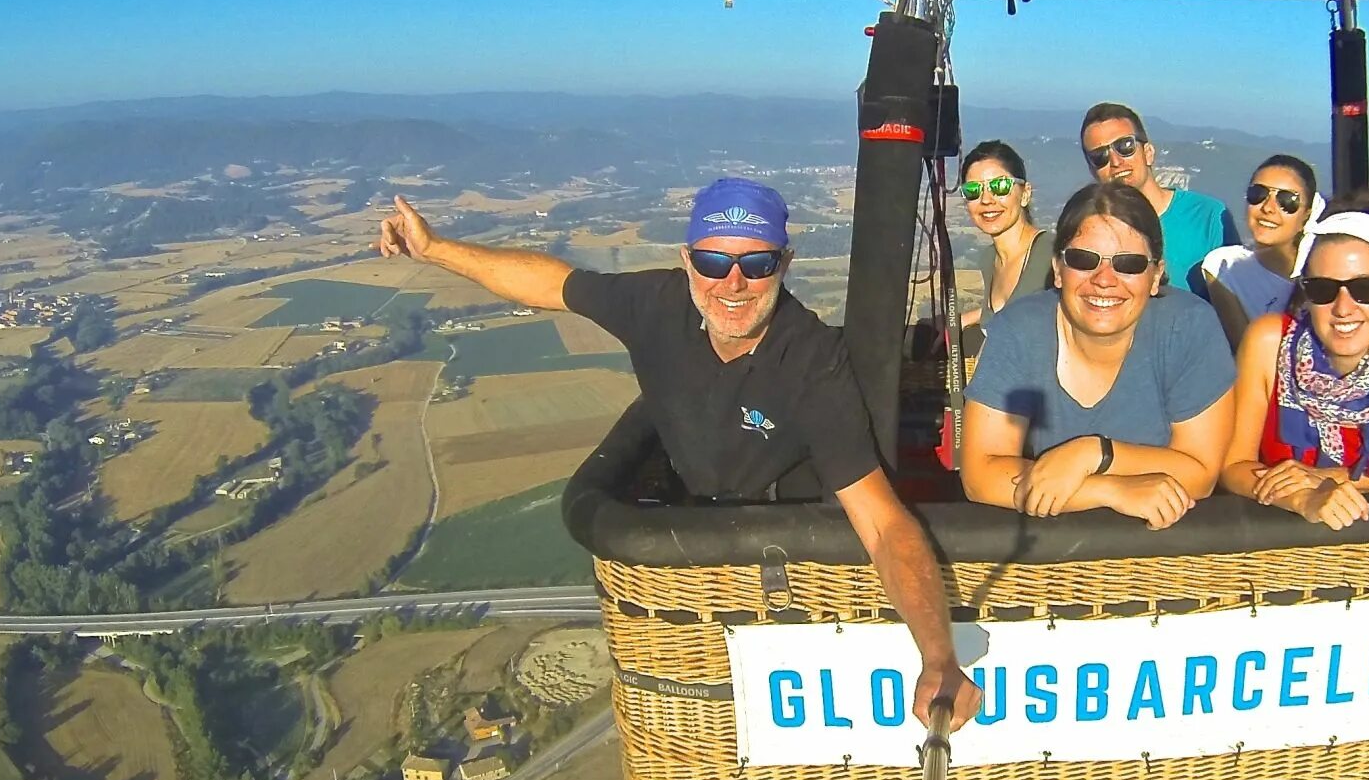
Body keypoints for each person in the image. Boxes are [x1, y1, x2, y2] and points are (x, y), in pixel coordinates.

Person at [377, 181, 977, 728]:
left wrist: (938, 654)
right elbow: (548, 282)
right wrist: (434, 250)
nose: (733, 284)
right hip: (695, 539)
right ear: (688, 262)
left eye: (756, 263)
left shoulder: (811, 363)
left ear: (784, 266)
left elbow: (879, 520)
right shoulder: (656, 304)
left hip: (782, 546)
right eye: (714, 261)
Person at [959, 181, 1234, 530]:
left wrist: (1093, 453)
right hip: (1051, 556)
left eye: (1129, 264)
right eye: (1084, 260)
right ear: (1058, 270)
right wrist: (1108, 490)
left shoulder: (1187, 328)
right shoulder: (1019, 330)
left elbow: (1200, 473)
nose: (1105, 280)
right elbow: (980, 474)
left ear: (1156, 276)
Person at [1219, 191, 1369, 530]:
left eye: (1365, 289)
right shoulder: (1270, 343)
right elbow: (1233, 465)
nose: (1344, 307)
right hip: (1278, 536)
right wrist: (1301, 499)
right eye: (1324, 290)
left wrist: (1329, 481)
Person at [1078, 102, 1237, 299]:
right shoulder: (1090, 230)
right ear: (1092, 169)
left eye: (1125, 146)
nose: (1116, 162)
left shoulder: (1209, 217)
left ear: (1148, 153)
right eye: (1099, 156)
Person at [1199, 154, 1324, 347]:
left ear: (1307, 215)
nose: (1268, 208)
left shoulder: (1324, 273)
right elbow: (1245, 349)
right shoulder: (1224, 267)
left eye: (1287, 201)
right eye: (1258, 194)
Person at [956, 139, 1053, 330]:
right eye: (973, 191)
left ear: (1025, 194)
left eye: (999, 187)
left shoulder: (1051, 253)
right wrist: (962, 321)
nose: (986, 200)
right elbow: (1005, 313)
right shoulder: (989, 259)